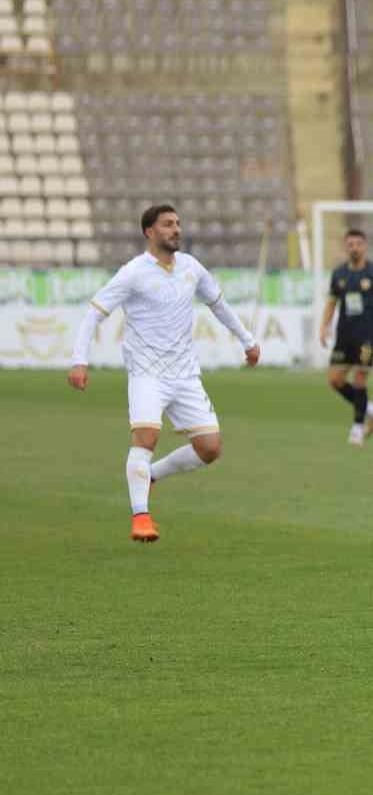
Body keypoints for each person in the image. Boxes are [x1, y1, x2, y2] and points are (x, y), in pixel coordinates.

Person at [66, 204, 261, 542]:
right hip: (146, 373)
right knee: (147, 437)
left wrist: (248, 340)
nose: (176, 230)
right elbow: (94, 313)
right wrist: (79, 359)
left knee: (210, 448)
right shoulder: (133, 272)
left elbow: (219, 305)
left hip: (185, 373)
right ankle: (140, 517)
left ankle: (151, 476)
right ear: (149, 232)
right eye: (168, 224)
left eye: (178, 224)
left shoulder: (191, 267)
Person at [319, 228, 373, 446]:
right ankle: (368, 408)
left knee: (360, 378)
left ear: (365, 246)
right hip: (344, 333)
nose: (354, 248)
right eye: (350, 244)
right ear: (346, 247)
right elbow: (332, 302)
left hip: (368, 333)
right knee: (335, 380)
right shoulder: (339, 274)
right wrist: (324, 326)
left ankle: (357, 428)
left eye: (358, 244)